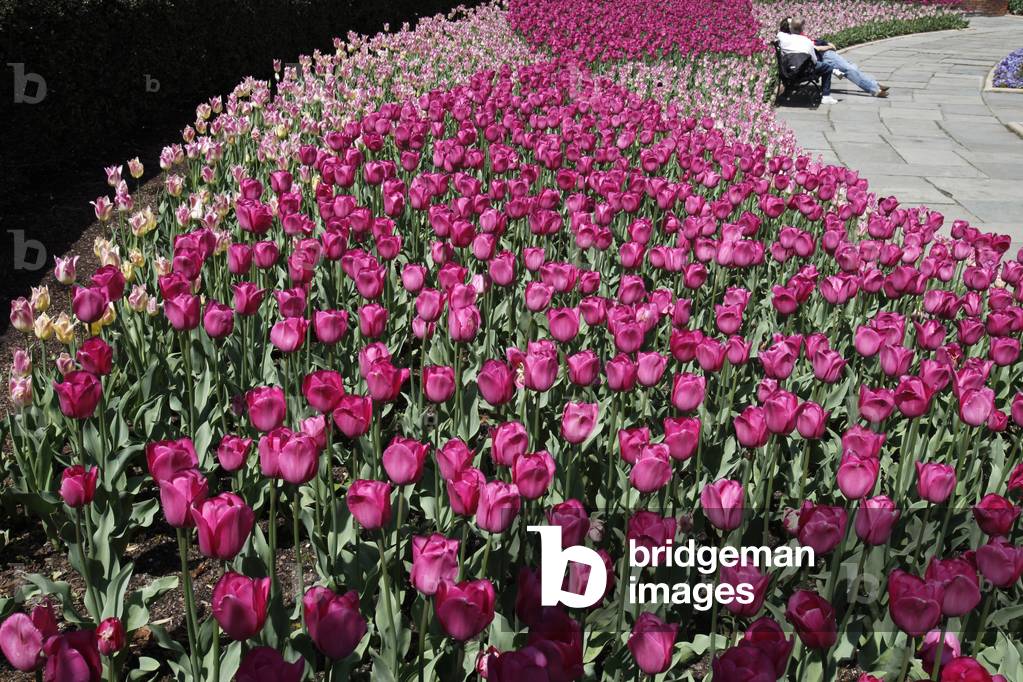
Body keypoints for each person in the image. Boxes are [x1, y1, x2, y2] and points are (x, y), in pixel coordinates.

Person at [780, 17, 890, 100]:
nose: (796, 24)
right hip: (824, 55)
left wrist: (826, 44)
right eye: (792, 22)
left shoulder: (796, 36)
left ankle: (874, 84)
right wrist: (829, 46)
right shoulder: (795, 38)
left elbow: (813, 43)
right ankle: (874, 89)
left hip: (825, 54)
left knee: (851, 67)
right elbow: (815, 48)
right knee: (849, 69)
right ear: (789, 28)